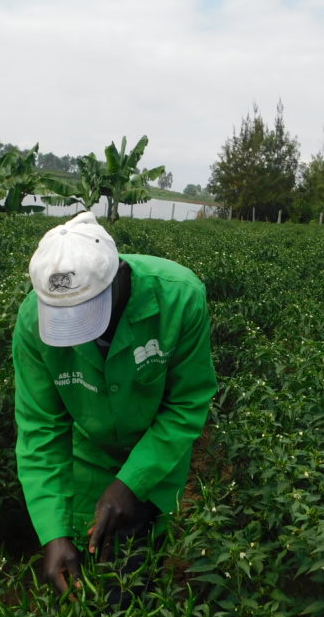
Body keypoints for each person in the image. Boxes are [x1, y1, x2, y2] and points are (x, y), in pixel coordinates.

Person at [12, 211, 217, 596]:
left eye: (87, 312)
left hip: (156, 453)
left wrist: (131, 482)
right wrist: (53, 532)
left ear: (119, 275)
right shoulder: (32, 324)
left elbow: (187, 402)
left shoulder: (180, 296)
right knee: (78, 574)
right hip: (85, 458)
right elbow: (41, 427)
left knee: (132, 577)